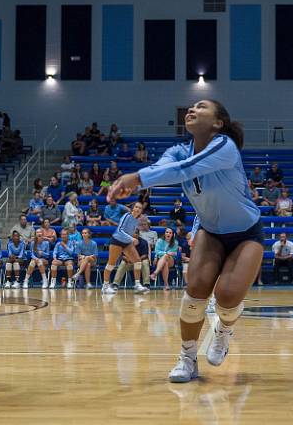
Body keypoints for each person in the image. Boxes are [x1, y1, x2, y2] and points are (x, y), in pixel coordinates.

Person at [107, 99, 264, 384]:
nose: (192, 109)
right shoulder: (178, 150)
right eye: (191, 107)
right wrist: (139, 180)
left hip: (246, 233)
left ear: (218, 123)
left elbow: (185, 170)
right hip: (210, 231)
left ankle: (224, 330)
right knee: (195, 293)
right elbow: (169, 167)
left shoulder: (224, 146)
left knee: (227, 297)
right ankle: (187, 359)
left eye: (201, 107)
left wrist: (136, 178)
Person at [100, 202, 149, 295]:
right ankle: (105, 286)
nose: (138, 209)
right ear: (133, 208)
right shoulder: (127, 216)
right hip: (117, 241)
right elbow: (119, 230)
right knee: (111, 264)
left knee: (137, 261)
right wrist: (132, 238)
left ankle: (137, 285)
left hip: (127, 243)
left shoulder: (137, 220)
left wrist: (131, 239)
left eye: (140, 208)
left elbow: (130, 232)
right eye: (136, 207)